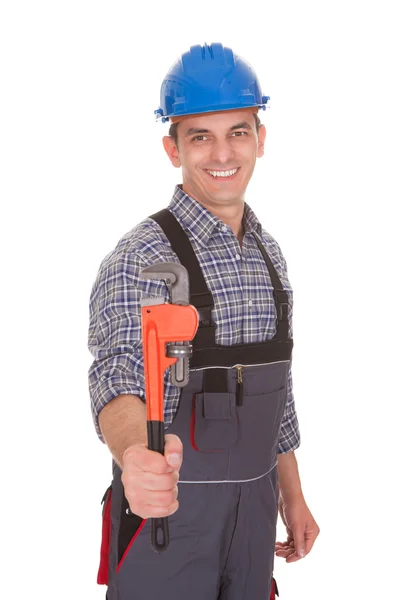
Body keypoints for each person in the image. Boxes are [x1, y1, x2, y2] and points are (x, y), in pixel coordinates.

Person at [88, 42, 320, 600]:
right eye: (200, 136)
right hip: (166, 517)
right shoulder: (141, 256)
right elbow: (116, 377)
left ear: (260, 139)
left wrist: (292, 493)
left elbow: (277, 391)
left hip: (255, 515)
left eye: (238, 131)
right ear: (173, 148)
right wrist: (134, 456)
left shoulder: (270, 254)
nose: (223, 152)